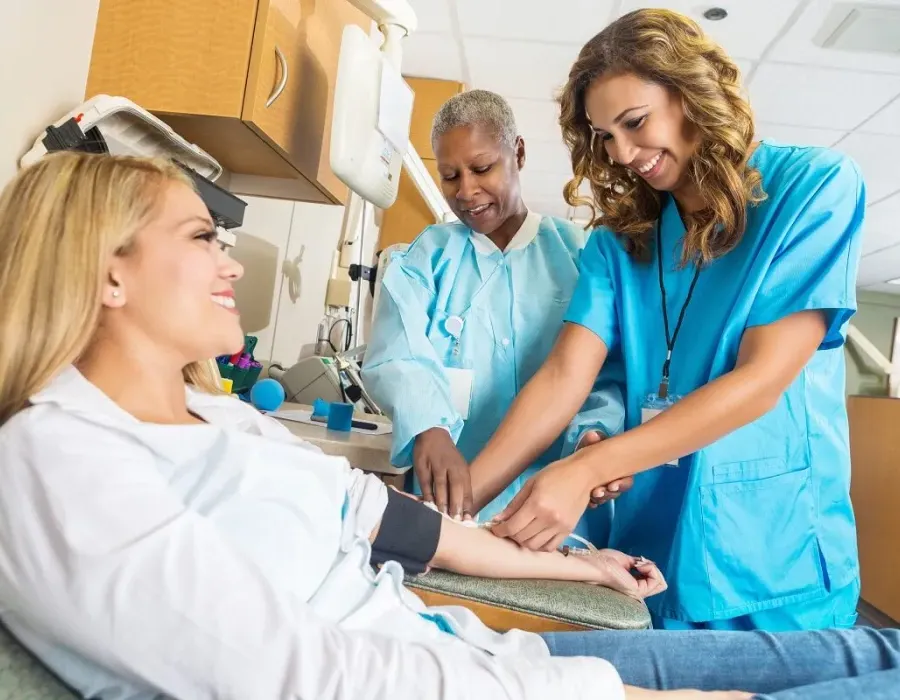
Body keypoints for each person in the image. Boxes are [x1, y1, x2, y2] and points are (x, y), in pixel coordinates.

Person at [0, 152, 898, 700]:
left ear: (515, 156)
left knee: (870, 650)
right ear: (105, 274)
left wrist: (569, 554)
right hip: (473, 675)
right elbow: (305, 680)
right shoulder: (56, 457)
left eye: (484, 168)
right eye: (202, 237)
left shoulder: (219, 416)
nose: (229, 257)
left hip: (481, 641)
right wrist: (441, 438)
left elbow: (392, 519)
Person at [467, 8, 864, 633]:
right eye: (604, 135)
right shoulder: (621, 242)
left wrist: (591, 467)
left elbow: (761, 380)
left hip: (772, 547)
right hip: (653, 537)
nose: (622, 153)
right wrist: (454, 505)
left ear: (693, 96)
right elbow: (565, 374)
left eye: (634, 123)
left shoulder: (814, 189)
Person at [362, 89, 624, 541]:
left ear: (517, 152)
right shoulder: (426, 259)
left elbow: (607, 374)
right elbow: (397, 353)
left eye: (482, 168)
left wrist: (593, 437)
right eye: (449, 176)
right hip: (445, 505)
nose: (466, 191)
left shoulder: (580, 257)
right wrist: (428, 426)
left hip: (552, 517)